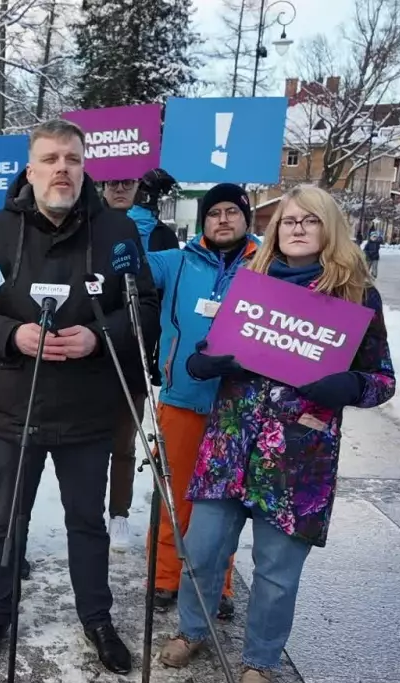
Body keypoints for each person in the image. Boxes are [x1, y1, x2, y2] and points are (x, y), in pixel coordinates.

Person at [161, 184, 396, 683]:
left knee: (276, 572)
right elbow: (209, 348)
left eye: (309, 221)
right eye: (288, 220)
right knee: (201, 550)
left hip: (297, 458)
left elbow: (382, 378)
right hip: (229, 447)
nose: (295, 228)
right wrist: (204, 361)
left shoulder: (356, 295)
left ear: (328, 228)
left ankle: (261, 659)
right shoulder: (252, 282)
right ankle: (191, 630)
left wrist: (351, 386)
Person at [0, 118, 161, 675]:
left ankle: (97, 618)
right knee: (7, 521)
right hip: (13, 410)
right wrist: (12, 336)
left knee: (87, 522)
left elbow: (142, 308)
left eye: (71, 158)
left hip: (88, 411)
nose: (61, 169)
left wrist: (100, 336)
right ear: (31, 170)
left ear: (84, 167)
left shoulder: (116, 231)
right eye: (50, 159)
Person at [142, 181, 253, 623]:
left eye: (231, 211)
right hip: (183, 399)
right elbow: (134, 266)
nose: (222, 219)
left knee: (223, 506)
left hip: (238, 409)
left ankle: (217, 584)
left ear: (246, 218)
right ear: (203, 221)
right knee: (174, 497)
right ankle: (166, 577)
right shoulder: (178, 261)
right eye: (214, 213)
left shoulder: (267, 265)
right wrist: (135, 220)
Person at [99, 168, 179, 549]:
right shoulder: (90, 225)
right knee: (87, 441)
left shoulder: (160, 235)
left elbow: (165, 299)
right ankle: (86, 509)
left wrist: (159, 349)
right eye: (113, 181)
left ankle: (119, 513)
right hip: (93, 347)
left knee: (124, 440)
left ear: (138, 187)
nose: (119, 187)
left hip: (135, 352)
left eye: (126, 181)